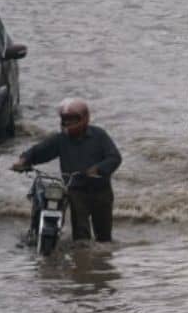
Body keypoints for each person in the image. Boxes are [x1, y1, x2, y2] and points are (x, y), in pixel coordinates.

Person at [11, 98, 122, 242]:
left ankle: (102, 260)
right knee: (81, 236)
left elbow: (115, 157)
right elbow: (41, 150)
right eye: (65, 119)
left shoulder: (99, 135)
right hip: (76, 190)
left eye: (72, 119)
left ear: (84, 118)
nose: (68, 123)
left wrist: (98, 169)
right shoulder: (61, 139)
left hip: (101, 191)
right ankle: (82, 260)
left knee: (104, 237)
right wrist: (24, 160)